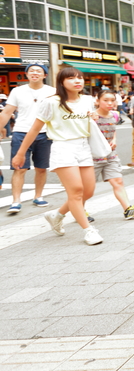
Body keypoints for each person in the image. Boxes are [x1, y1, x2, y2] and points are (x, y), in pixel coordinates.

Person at [12, 67, 102, 244]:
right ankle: (88, 231)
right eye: (71, 78)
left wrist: (95, 116)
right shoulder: (51, 102)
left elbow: (91, 119)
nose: (78, 81)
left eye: (80, 78)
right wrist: (20, 153)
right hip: (63, 147)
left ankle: (56, 215)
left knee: (88, 191)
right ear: (61, 82)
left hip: (83, 147)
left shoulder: (87, 100)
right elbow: (35, 129)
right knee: (76, 191)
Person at [0, 63, 56, 214]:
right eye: (31, 71)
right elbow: (6, 113)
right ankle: (16, 201)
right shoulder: (17, 91)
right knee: (19, 168)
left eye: (39, 71)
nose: (35, 73)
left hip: (45, 134)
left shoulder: (53, 91)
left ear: (45, 75)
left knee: (42, 168)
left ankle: (38, 196)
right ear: (26, 74)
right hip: (21, 132)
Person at [94, 91, 134, 219]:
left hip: (110, 154)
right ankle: (80, 210)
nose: (110, 103)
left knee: (118, 181)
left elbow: (113, 129)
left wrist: (114, 139)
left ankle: (127, 209)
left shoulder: (115, 115)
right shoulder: (91, 116)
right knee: (87, 188)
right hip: (93, 156)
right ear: (97, 101)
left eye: (112, 100)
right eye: (106, 100)